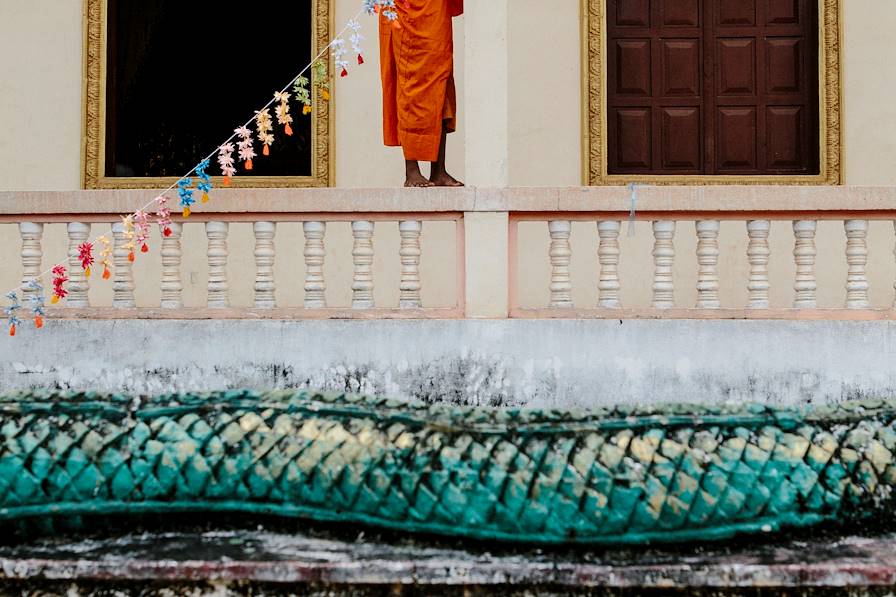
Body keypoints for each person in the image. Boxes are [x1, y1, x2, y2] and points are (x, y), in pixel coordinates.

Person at [379, 0, 464, 187]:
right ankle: (412, 171)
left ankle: (439, 170)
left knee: (441, 82)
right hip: (403, 11)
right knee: (409, 84)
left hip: (435, 10)